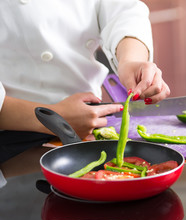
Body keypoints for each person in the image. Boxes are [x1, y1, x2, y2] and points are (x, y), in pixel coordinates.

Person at [0, 0, 170, 162]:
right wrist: (55, 119)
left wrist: (132, 59)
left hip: (86, 127)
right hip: (8, 138)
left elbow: (122, 11)